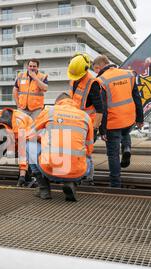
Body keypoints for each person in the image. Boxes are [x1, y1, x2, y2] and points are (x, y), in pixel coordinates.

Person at [27, 93, 94, 202]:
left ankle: (44, 189)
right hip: (79, 172)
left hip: (50, 170)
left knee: (28, 144)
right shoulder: (85, 116)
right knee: (86, 154)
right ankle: (72, 182)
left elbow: (29, 135)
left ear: (57, 103)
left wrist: (42, 139)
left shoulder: (51, 111)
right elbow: (89, 148)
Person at [92, 55, 144, 188]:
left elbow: (102, 107)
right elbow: (137, 97)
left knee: (113, 154)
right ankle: (126, 148)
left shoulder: (101, 80)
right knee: (125, 133)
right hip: (129, 117)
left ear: (99, 67)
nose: (95, 73)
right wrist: (140, 118)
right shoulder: (128, 74)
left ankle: (115, 183)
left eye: (95, 70)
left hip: (113, 122)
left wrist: (102, 130)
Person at [67, 52, 105, 185]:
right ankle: (77, 175)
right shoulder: (74, 77)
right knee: (75, 151)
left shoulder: (92, 83)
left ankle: (88, 178)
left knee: (86, 152)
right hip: (75, 122)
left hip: (88, 124)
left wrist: (94, 129)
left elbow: (100, 109)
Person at [0, 108, 33, 187]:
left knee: (29, 151)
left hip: (28, 127)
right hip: (11, 133)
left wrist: (22, 176)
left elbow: (23, 153)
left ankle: (25, 178)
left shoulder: (20, 129)